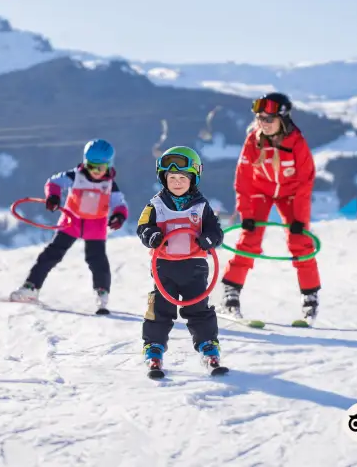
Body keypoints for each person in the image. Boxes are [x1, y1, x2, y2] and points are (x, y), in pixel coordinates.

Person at [219, 92, 321, 325]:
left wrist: (299, 219)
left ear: (282, 119)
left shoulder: (297, 143)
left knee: (300, 241)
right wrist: (246, 213)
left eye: (268, 119)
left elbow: (306, 182)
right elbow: (243, 179)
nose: (262, 123)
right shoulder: (253, 141)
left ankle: (310, 297)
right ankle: (230, 292)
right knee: (250, 238)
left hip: (291, 194)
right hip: (260, 192)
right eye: (259, 118)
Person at [9, 139, 129, 312]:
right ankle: (31, 288)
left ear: (109, 166)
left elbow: (120, 204)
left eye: (100, 168)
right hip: (71, 222)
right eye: (91, 166)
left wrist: (118, 216)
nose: (95, 172)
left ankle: (102, 293)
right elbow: (54, 183)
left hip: (95, 226)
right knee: (51, 254)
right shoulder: (75, 176)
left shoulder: (110, 185)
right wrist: (53, 197)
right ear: (85, 162)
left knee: (97, 261)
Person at [136, 146, 226, 373]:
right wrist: (152, 235)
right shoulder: (155, 205)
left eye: (182, 178)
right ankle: (153, 348)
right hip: (164, 267)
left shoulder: (202, 206)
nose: (176, 182)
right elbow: (143, 227)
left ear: (193, 178)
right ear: (163, 179)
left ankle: (208, 347)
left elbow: (216, 232)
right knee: (160, 308)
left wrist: (208, 239)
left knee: (199, 308)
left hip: (194, 267)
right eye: (172, 177)